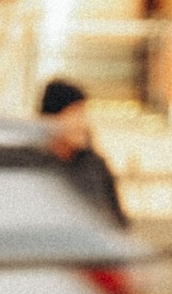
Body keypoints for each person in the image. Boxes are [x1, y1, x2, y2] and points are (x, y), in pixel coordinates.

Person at [36, 77, 125, 224]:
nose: (82, 123)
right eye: (74, 114)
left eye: (83, 114)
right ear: (51, 119)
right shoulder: (34, 167)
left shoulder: (95, 167)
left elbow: (117, 223)